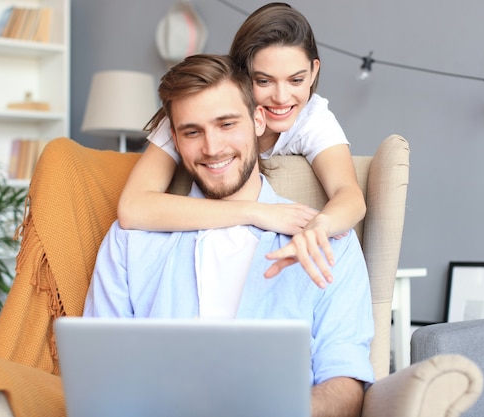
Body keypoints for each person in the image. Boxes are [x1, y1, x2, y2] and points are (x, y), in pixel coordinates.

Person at [84, 54, 374, 417]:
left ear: (257, 120)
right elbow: (101, 373)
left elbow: (345, 380)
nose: (212, 148)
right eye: (192, 132)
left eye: (226, 124)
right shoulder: (130, 242)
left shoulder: (328, 240)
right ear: (174, 138)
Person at [117, 2, 365, 288]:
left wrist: (319, 227)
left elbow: (349, 195)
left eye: (296, 79)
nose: (282, 97)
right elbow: (133, 207)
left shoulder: (312, 118)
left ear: (313, 71)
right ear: (243, 76)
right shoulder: (198, 109)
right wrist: (257, 211)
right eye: (264, 81)